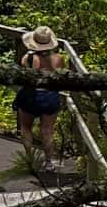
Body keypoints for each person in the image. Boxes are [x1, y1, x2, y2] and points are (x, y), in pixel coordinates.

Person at [13, 26, 70, 172]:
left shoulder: (28, 58)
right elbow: (62, 77)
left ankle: (30, 159)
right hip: (50, 96)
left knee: (26, 128)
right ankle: (49, 162)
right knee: (47, 130)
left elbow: (24, 76)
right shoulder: (59, 59)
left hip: (30, 95)